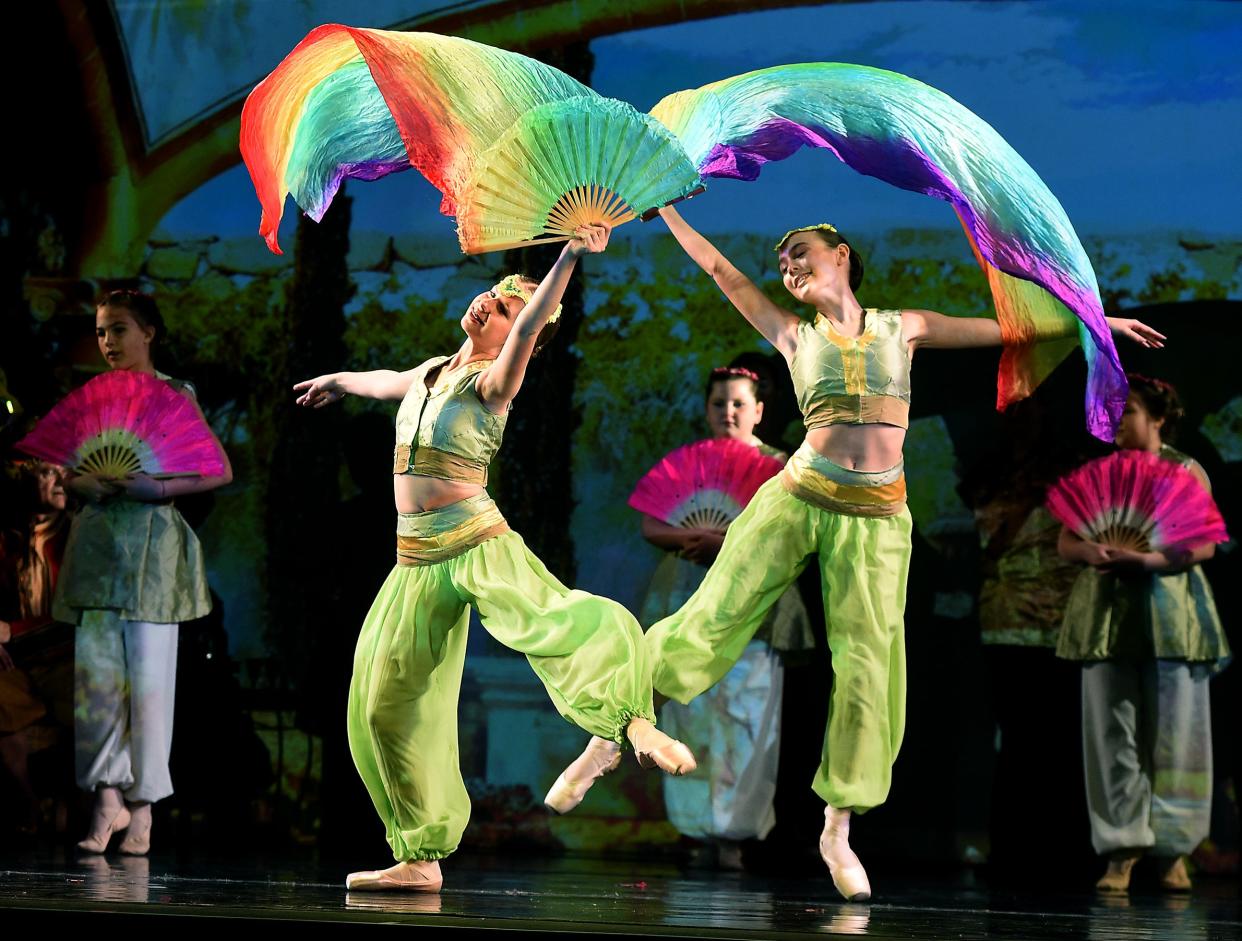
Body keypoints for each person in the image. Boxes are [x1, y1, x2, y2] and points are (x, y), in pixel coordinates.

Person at [553, 207, 1162, 901]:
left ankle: (837, 826)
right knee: (713, 614)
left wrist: (1094, 323)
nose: (789, 266)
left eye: (801, 252)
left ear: (840, 254)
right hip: (799, 494)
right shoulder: (791, 333)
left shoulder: (904, 327)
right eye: (782, 261)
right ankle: (611, 732)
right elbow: (721, 270)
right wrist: (667, 208)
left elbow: (1010, 329)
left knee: (868, 665)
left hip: (876, 517)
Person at [293, 225, 695, 893]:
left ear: (518, 335)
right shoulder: (429, 372)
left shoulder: (494, 382)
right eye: (493, 293)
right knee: (380, 704)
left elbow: (534, 323)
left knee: (554, 624)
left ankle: (631, 723)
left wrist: (567, 256)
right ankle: (420, 855)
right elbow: (389, 381)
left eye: (506, 307)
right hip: (415, 562)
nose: (490, 302)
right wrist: (340, 380)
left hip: (477, 544)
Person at [56, 289, 233, 855]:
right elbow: (69, 470)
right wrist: (82, 483)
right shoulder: (91, 397)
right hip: (99, 547)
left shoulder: (175, 395)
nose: (109, 341)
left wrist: (155, 487)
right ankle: (106, 796)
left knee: (150, 685)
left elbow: (216, 469)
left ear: (149, 332)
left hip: (154, 554)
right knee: (98, 680)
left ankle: (144, 807)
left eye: (120, 329)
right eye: (103, 331)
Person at [1056, 373, 1230, 894]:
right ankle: (1121, 851)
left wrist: (1149, 560)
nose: (1117, 420)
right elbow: (1068, 539)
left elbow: (1204, 545)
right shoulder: (1100, 471)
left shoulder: (1186, 470)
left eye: (1127, 410)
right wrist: (1093, 552)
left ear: (1157, 418)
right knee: (1111, 736)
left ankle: (1175, 851)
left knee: (1178, 737)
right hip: (1106, 615)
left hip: (1171, 614)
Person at [645, 366, 812, 869]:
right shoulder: (691, 464)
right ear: (707, 409)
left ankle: (735, 835)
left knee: (747, 725)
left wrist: (729, 542)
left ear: (759, 410)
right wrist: (692, 541)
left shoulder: (784, 468)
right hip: (694, 607)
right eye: (719, 404)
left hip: (756, 618)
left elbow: (793, 540)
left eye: (739, 403)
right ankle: (695, 829)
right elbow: (653, 524)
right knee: (692, 720)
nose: (728, 413)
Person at [0, 459, 72, 834]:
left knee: (94, 710)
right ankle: (27, 804)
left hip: (69, 661)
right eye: (46, 474)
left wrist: (13, 630)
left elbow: (74, 612)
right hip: (22, 665)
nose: (58, 482)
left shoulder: (78, 534)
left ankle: (76, 809)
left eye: (62, 473)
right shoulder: (12, 538)